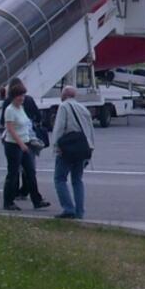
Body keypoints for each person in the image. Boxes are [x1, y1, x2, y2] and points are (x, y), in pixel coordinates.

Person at [1, 82, 50, 211]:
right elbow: (10, 129)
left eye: (23, 95)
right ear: (13, 96)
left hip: (25, 142)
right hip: (13, 145)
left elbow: (26, 125)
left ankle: (37, 200)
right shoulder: (10, 110)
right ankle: (8, 201)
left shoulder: (20, 108)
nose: (22, 98)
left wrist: (30, 140)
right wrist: (21, 144)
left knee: (30, 172)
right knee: (13, 173)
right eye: (19, 96)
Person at [51, 85, 96, 220]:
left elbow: (59, 127)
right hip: (82, 148)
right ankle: (79, 211)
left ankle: (68, 208)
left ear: (63, 95)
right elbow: (90, 130)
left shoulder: (64, 106)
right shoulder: (83, 108)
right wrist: (91, 148)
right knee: (77, 180)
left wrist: (55, 146)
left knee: (59, 179)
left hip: (68, 148)